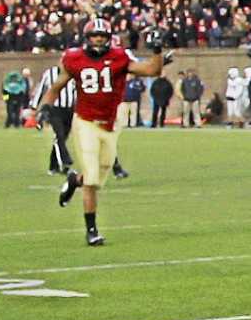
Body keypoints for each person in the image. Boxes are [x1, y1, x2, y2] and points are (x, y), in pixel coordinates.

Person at [33, 17, 170, 246]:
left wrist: (156, 50)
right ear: (86, 39)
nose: (98, 40)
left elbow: (152, 70)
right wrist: (45, 108)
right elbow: (56, 87)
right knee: (93, 179)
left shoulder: (119, 57)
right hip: (85, 122)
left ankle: (73, 180)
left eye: (102, 36)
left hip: (110, 123)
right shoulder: (74, 59)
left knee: (99, 172)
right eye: (94, 36)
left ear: (109, 39)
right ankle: (92, 230)